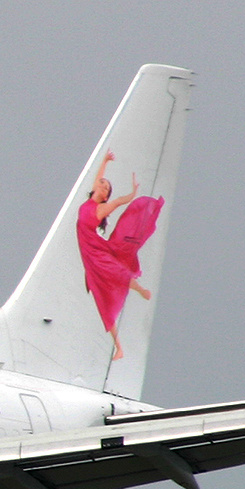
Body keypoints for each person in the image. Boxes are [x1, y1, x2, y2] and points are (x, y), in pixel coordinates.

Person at [76, 150, 163, 360]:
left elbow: (119, 202)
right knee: (103, 302)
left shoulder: (100, 209)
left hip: (97, 253)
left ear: (105, 195)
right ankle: (119, 348)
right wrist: (105, 161)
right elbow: (99, 177)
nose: (102, 185)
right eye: (102, 183)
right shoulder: (90, 203)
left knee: (117, 273)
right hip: (89, 257)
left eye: (105, 187)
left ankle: (140, 289)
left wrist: (132, 194)